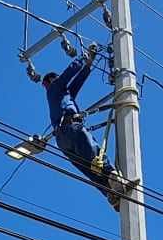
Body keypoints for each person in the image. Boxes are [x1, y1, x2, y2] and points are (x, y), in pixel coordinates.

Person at [40, 44, 124, 209]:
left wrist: (89, 64)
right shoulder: (54, 87)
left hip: (62, 141)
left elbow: (76, 83)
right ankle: (114, 180)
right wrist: (85, 56)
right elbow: (69, 73)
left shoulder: (63, 94)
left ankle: (110, 193)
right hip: (71, 128)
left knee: (88, 168)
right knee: (93, 155)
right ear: (51, 80)